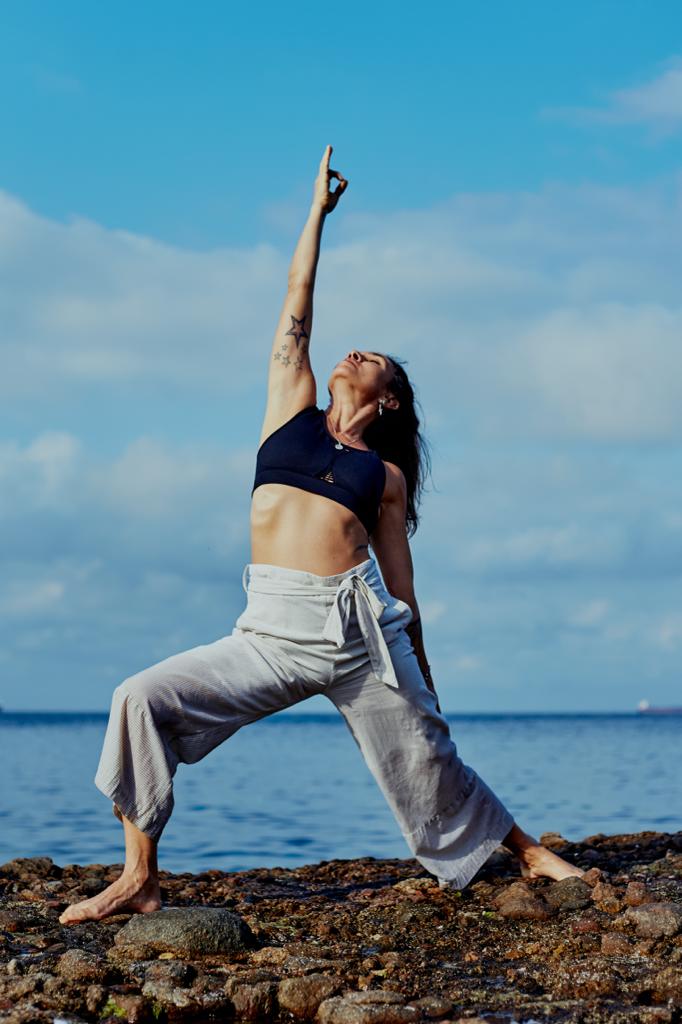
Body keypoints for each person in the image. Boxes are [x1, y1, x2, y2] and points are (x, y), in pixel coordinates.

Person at [59, 145, 583, 925]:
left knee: (426, 757)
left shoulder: (385, 479)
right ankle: (140, 875)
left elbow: (402, 592)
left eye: (373, 359)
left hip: (359, 633)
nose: (354, 352)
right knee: (139, 698)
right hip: (267, 630)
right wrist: (316, 213)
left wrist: (423, 681)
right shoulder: (289, 409)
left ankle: (529, 852)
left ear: (392, 401)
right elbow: (296, 303)